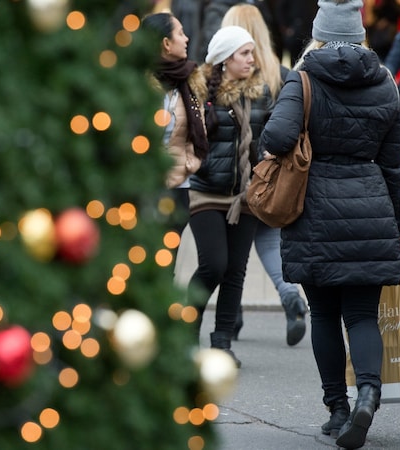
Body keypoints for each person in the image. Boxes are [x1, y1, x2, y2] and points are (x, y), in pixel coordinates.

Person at [259, 0, 400, 447]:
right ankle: (367, 394)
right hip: (370, 207)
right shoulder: (384, 83)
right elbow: (394, 164)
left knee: (323, 313)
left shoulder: (302, 78)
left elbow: (276, 137)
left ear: (318, 35)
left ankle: (336, 409)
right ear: (360, 36)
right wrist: (399, 224)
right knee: (362, 315)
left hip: (313, 210)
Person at [220, 2, 307, 346]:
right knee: (268, 239)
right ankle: (290, 297)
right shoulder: (281, 74)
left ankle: (233, 315)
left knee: (232, 253)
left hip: (232, 179)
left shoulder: (227, 77)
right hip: (271, 177)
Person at [187, 25, 274, 367]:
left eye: (252, 52)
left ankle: (221, 343)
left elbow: (266, 137)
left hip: (246, 195)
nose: (251, 59)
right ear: (224, 59)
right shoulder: (198, 93)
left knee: (236, 270)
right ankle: (185, 336)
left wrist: (267, 155)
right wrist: (200, 166)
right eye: (244, 53)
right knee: (214, 265)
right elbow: (188, 137)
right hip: (206, 192)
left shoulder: (260, 94)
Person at [141, 12, 209, 246]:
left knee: (166, 258)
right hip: (145, 187)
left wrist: (191, 163)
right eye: (180, 33)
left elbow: (198, 129)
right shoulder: (138, 85)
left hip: (180, 186)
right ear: (166, 44)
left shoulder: (190, 81)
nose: (187, 38)